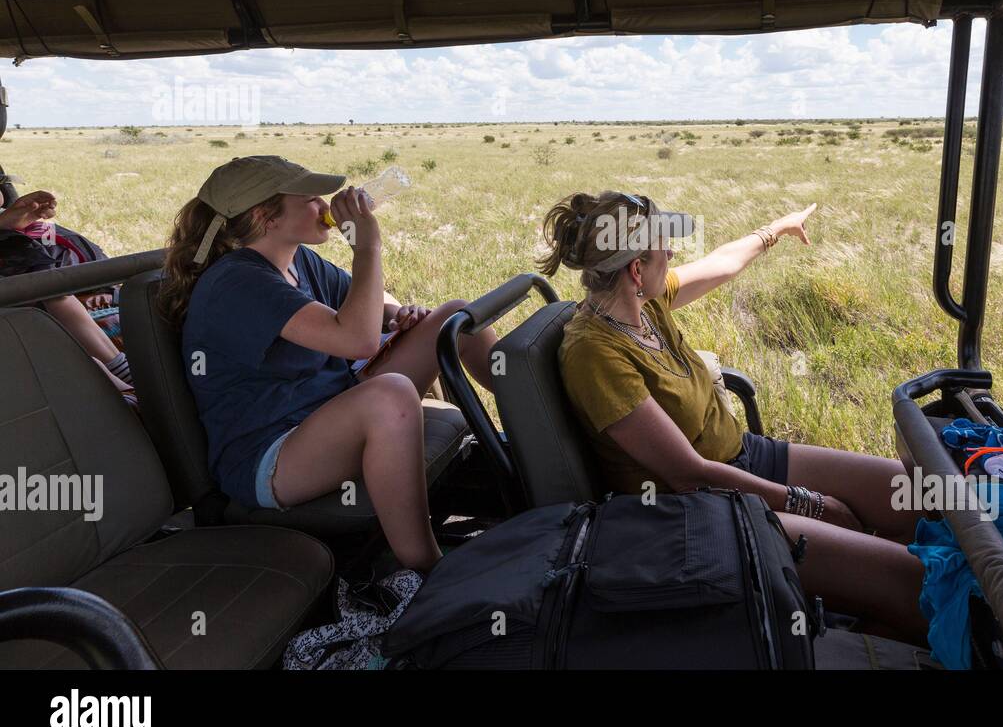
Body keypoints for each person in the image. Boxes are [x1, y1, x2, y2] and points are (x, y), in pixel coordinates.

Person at [538, 190, 928, 643]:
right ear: (636, 269)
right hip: (703, 505)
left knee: (918, 496)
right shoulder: (594, 353)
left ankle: (857, 601)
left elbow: (723, 262)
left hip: (743, 456)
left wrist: (776, 229)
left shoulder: (645, 304)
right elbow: (688, 474)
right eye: (665, 244)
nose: (673, 251)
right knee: (913, 583)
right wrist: (811, 503)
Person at [158, 155, 498, 575]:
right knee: (388, 394)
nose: (326, 206)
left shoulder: (299, 261)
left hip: (328, 409)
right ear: (268, 217)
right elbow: (357, 340)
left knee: (455, 317)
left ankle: (533, 433)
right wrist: (367, 246)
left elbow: (364, 312)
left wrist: (397, 316)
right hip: (272, 454)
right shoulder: (238, 282)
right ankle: (427, 567)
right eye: (311, 199)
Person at [0, 189, 135, 389]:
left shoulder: (36, 228)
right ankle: (126, 376)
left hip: (102, 299)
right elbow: (50, 287)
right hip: (52, 313)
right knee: (49, 288)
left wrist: (10, 223)